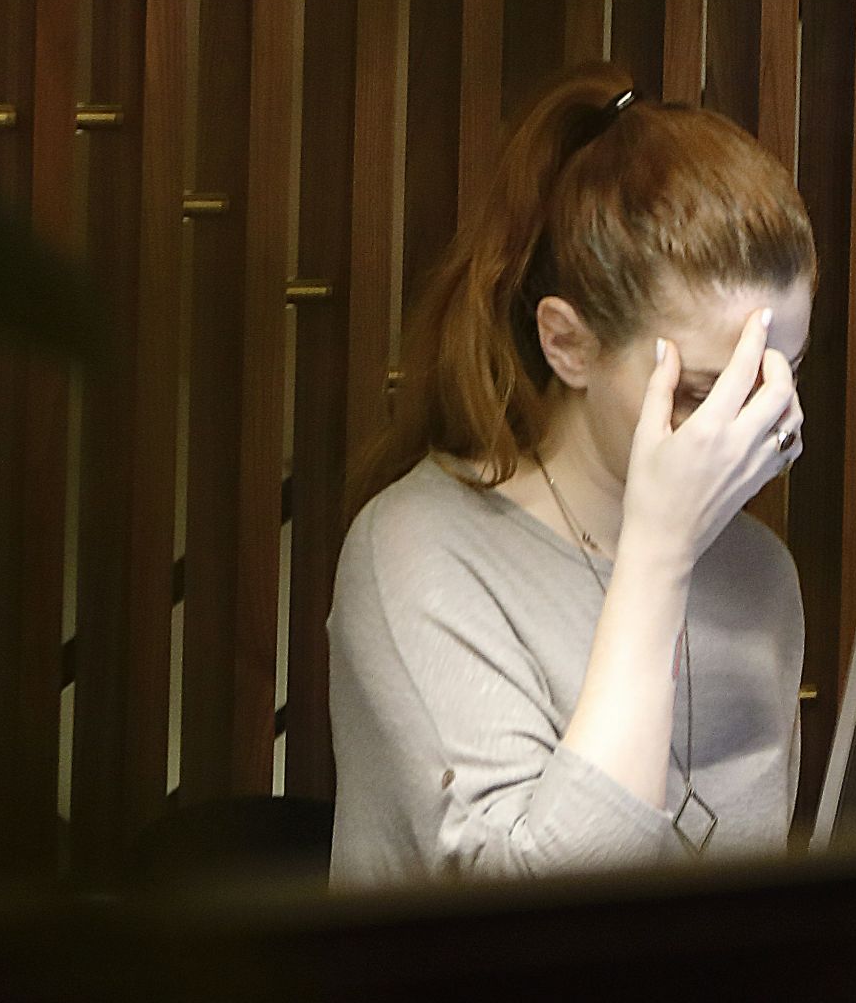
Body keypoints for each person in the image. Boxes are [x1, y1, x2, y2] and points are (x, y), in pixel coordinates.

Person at [327, 62, 814, 888]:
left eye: (782, 377)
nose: (754, 425)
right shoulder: (415, 552)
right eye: (703, 391)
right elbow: (541, 927)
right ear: (568, 344)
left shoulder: (759, 573)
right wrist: (658, 559)